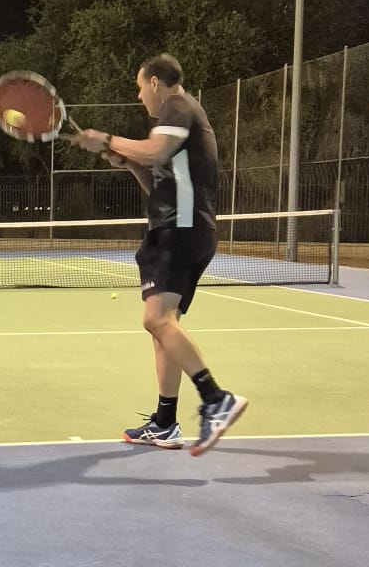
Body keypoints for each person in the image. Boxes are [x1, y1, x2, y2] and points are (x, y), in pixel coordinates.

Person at [70, 54, 247, 455]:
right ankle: (165, 422)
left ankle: (216, 399)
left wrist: (109, 140)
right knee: (163, 327)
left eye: (139, 87)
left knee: (156, 319)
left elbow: (157, 149)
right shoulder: (180, 116)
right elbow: (159, 179)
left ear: (154, 82)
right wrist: (129, 162)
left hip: (179, 230)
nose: (139, 96)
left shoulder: (177, 107)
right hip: (185, 227)